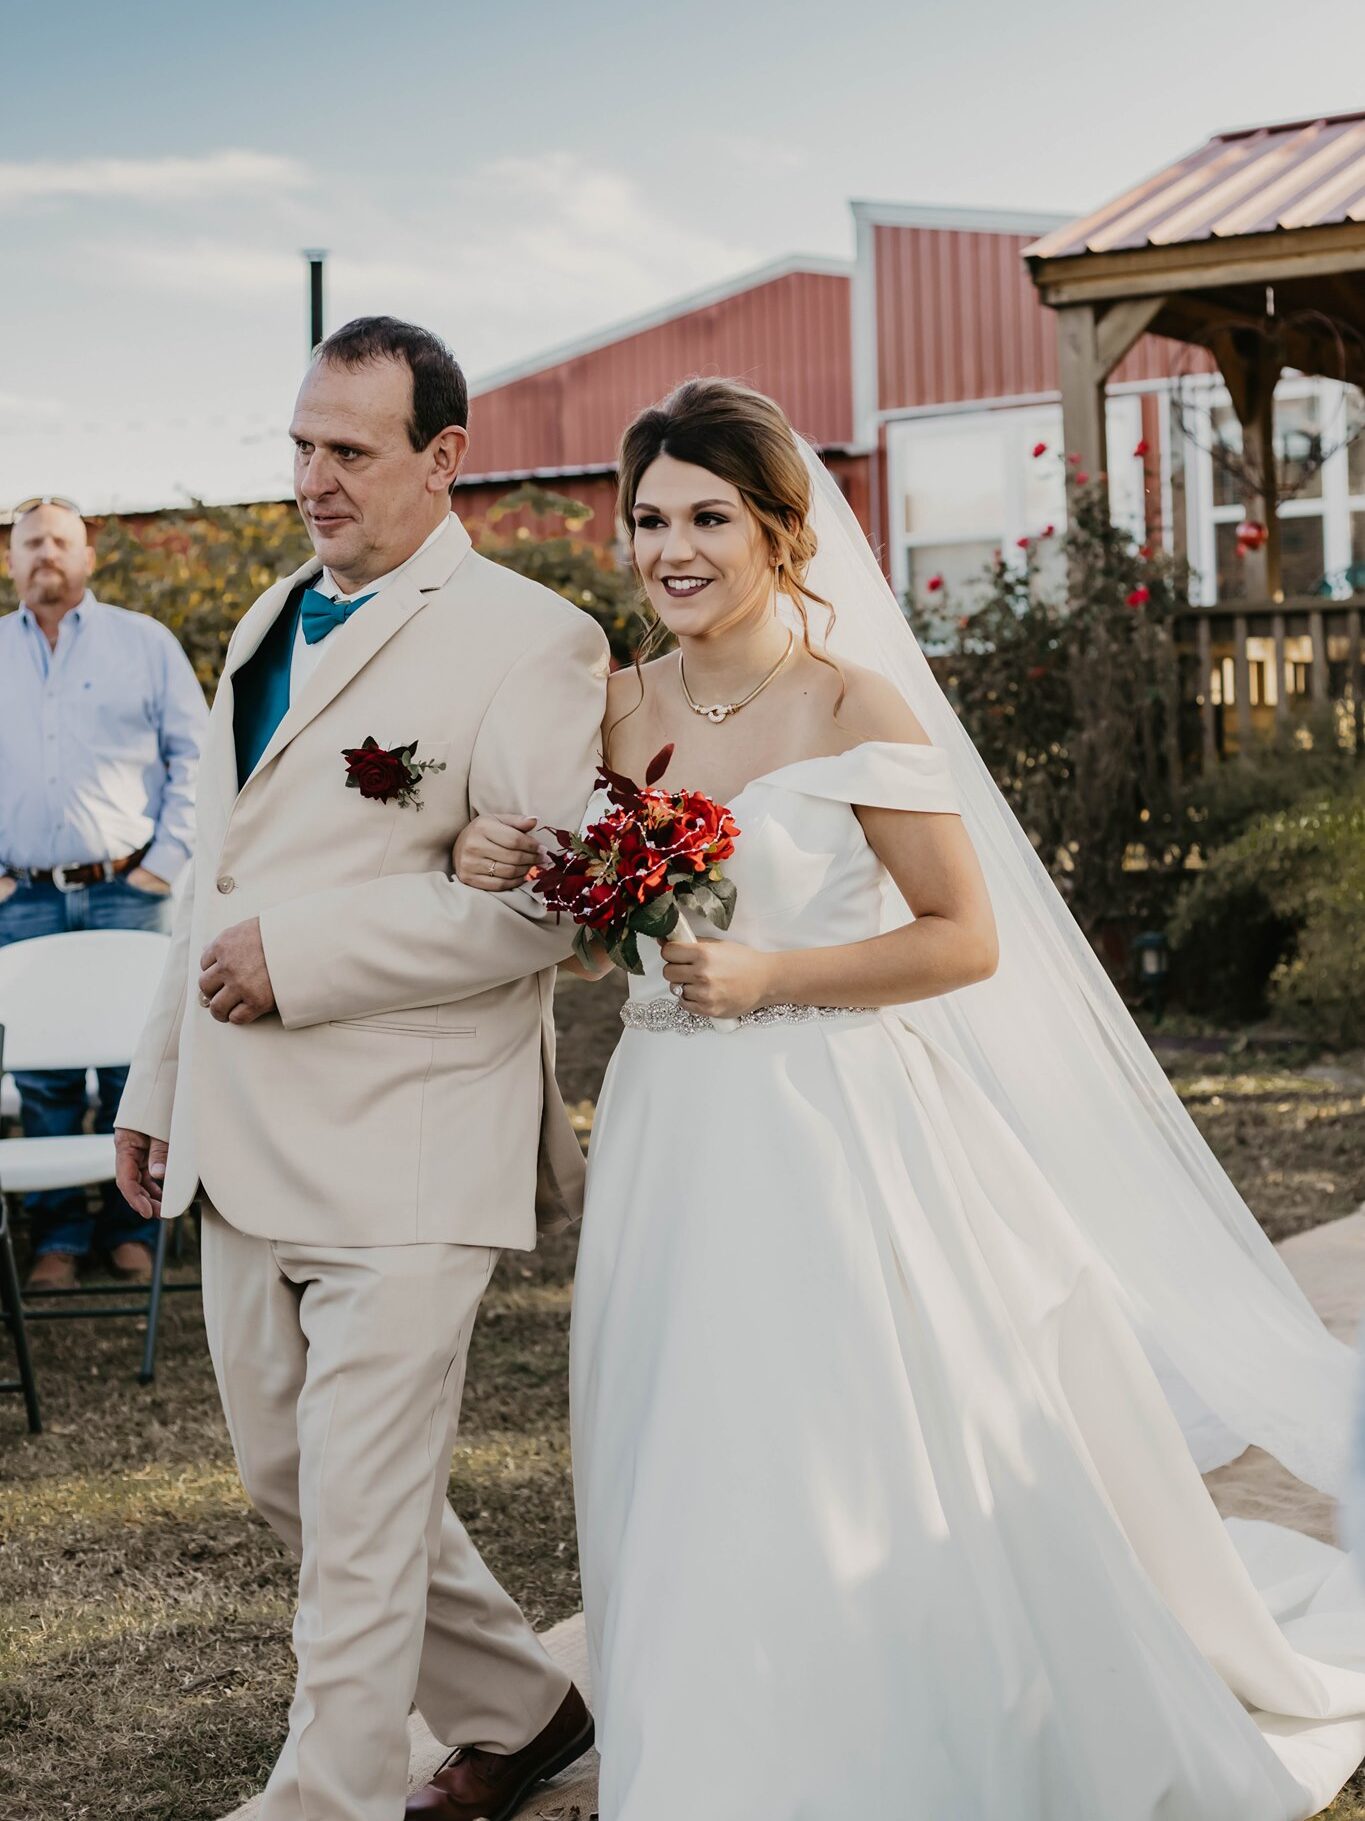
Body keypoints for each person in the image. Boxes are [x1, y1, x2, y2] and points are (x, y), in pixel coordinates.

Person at [453, 377, 1365, 1820]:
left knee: (841, 1435)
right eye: (646, 520)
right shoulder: (609, 711)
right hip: (666, 1137)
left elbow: (963, 935)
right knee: (685, 1445)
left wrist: (778, 978)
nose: (670, 548)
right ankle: (719, 1748)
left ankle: (897, 1729)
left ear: (780, 530)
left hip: (837, 1126)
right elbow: (600, 927)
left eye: (708, 516)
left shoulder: (849, 702)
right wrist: (510, 868)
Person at [113, 318, 608, 1821]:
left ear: (442, 457)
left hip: (408, 1144)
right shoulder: (268, 614)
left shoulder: (534, 637)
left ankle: (323, 1799)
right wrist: (156, 1082)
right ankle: (527, 1710)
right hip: (242, 1135)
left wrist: (306, 956)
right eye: (301, 446)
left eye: (350, 451)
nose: (313, 480)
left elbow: (540, 904)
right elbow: (215, 881)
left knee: (358, 1518)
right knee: (292, 1480)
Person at [0, 496, 207, 1289]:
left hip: (131, 889)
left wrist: (168, 859)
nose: (45, 554)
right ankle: (56, 1235)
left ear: (88, 557)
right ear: (11, 561)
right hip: (22, 900)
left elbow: (196, 755)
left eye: (60, 541)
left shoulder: (143, 645)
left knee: (137, 1064)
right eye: (30, 544)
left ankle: (132, 1231)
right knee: (43, 1076)